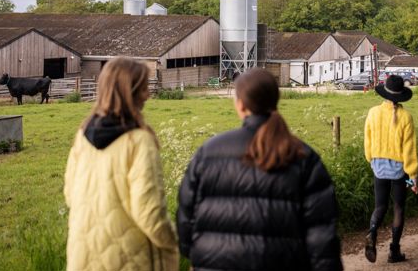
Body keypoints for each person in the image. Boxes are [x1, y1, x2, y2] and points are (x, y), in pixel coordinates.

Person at [176, 69, 342, 271]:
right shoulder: (304, 157)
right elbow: (322, 236)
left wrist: (196, 254)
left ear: (240, 104)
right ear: (275, 101)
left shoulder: (208, 153)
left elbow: (185, 218)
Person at [64, 57, 179, 271]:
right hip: (130, 258)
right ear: (130, 93)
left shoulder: (83, 135)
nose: (148, 95)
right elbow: (149, 213)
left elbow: (70, 194)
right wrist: (175, 243)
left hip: (83, 256)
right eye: (143, 89)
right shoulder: (139, 141)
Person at [363, 74, 418, 264]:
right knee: (398, 208)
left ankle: (372, 232)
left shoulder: (373, 113)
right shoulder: (406, 117)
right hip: (399, 171)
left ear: (385, 92)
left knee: (380, 206)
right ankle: (394, 251)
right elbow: (409, 150)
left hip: (378, 166)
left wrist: (371, 159)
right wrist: (413, 178)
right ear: (401, 95)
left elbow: (367, 140)